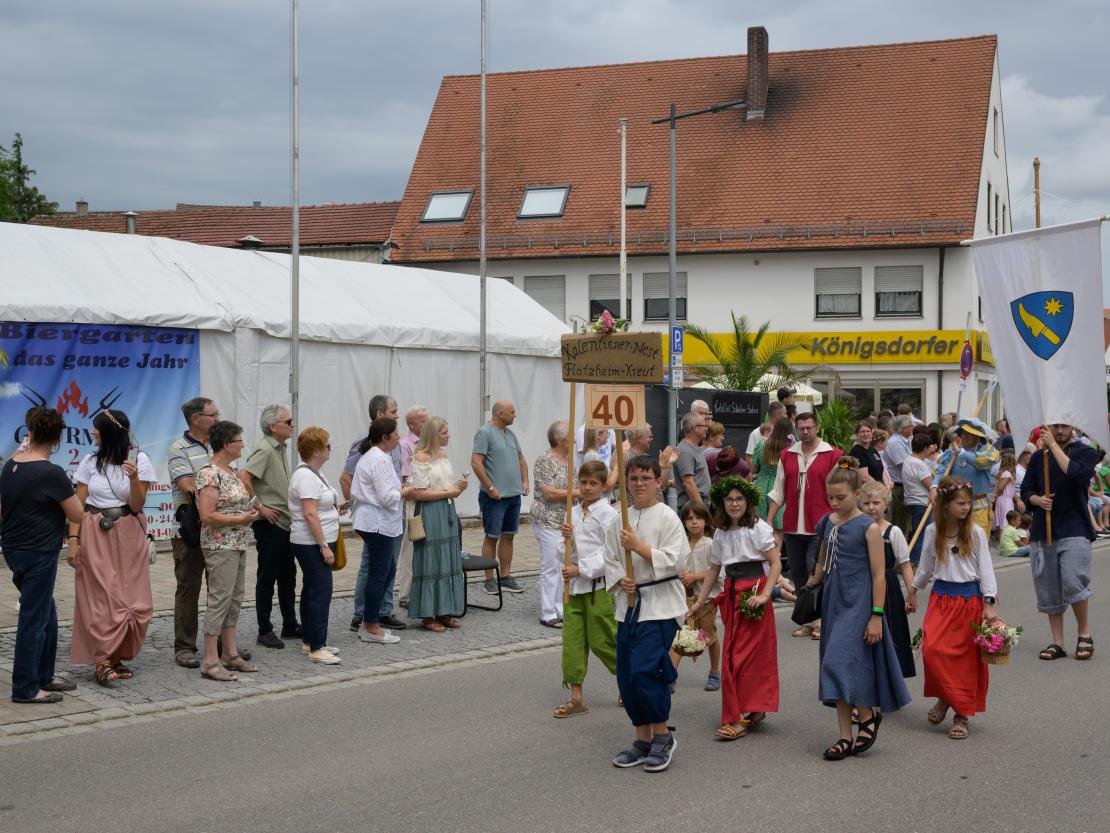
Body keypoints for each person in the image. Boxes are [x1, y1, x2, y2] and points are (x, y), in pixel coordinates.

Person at [807, 459, 911, 760]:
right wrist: (809, 585)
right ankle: (844, 736)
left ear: (856, 493)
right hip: (833, 601)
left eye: (841, 497)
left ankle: (866, 714)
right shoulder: (828, 522)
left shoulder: (869, 528)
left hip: (860, 603)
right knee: (835, 663)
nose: (835, 503)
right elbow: (823, 560)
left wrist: (876, 615)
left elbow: (879, 574)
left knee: (838, 663)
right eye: (831, 498)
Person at [605, 455, 688, 772]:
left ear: (658, 481)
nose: (638, 483)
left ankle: (662, 736)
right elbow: (609, 557)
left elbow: (677, 560)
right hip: (628, 608)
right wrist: (619, 579)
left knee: (646, 672)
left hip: (660, 606)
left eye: (645, 477)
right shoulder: (618, 519)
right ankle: (641, 739)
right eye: (633, 478)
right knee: (627, 677)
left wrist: (639, 547)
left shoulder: (668, 517)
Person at [1, 408, 85, 703]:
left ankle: (44, 676)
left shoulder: (12, 464)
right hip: (39, 552)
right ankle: (25, 688)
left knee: (46, 614)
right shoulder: (51, 472)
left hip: (14, 548)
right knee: (33, 619)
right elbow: (77, 513)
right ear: (58, 437)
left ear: (31, 431)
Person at [689, 476, 781, 741]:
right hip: (731, 593)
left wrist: (764, 595)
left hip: (753, 593)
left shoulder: (759, 528)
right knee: (735, 654)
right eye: (729, 499)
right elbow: (714, 570)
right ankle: (753, 709)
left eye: (739, 498)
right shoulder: (719, 532)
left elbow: (775, 564)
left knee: (742, 657)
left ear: (748, 501)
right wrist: (698, 602)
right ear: (722, 503)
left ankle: (739, 716)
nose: (734, 503)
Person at [68, 409, 156, 686]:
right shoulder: (89, 462)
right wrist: (73, 540)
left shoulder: (139, 460)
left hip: (129, 532)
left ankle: (115, 655)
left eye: (96, 428)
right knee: (100, 595)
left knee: (128, 596)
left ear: (109, 432)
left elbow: (137, 505)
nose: (92, 433)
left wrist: (132, 478)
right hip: (95, 532)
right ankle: (101, 660)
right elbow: (78, 506)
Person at [908, 476, 998, 740]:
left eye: (968, 503)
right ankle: (946, 697)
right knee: (933, 650)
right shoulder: (933, 531)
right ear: (945, 505)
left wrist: (988, 604)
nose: (966, 508)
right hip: (941, 598)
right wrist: (913, 591)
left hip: (969, 600)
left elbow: (986, 570)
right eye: (960, 503)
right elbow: (925, 566)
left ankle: (961, 713)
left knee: (965, 660)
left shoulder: (976, 532)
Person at [1020, 422, 1097, 662]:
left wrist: (1053, 446)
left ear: (1073, 426)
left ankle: (1084, 633)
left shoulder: (1085, 452)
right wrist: (1037, 499)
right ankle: (1058, 641)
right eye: (1056, 427)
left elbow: (1076, 474)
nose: (1060, 431)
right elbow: (1025, 490)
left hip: (1075, 525)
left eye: (1064, 426)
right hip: (1044, 529)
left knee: (1074, 580)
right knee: (1048, 586)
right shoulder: (1037, 458)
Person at [766, 411, 844, 639]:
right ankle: (808, 618)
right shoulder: (787, 455)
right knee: (799, 572)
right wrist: (769, 520)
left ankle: (822, 619)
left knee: (816, 568)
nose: (806, 432)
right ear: (796, 429)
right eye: (801, 428)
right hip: (793, 525)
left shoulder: (833, 454)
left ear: (817, 427)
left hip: (821, 524)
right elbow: (778, 490)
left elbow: (842, 490)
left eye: (809, 427)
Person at [552, 460, 619, 718]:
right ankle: (576, 696)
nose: (587, 488)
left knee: (604, 641)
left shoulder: (609, 515)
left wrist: (581, 569)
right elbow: (563, 553)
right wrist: (566, 539)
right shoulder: (573, 511)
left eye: (593, 483)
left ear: (603, 486)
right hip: (573, 589)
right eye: (583, 482)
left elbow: (611, 554)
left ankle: (629, 680)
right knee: (572, 643)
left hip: (597, 587)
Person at [195, 420, 260, 681]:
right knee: (219, 599)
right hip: (219, 545)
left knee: (235, 598)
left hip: (238, 543)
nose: (243, 444)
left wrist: (249, 514)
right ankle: (210, 659)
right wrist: (239, 519)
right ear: (226, 444)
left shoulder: (232, 473)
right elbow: (207, 515)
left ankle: (230, 653)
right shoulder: (209, 474)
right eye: (239, 440)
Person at [167, 397, 228, 669]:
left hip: (218, 527)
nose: (217, 419)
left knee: (220, 589)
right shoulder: (178, 448)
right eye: (213, 415)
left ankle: (220, 645)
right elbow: (188, 484)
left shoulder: (219, 446)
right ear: (196, 419)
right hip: (190, 529)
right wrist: (218, 492)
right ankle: (185, 647)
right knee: (189, 588)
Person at [344, 395, 408, 634]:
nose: (399, 437)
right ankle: (368, 621)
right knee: (377, 572)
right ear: (384, 436)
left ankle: (375, 615)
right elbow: (386, 496)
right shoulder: (377, 458)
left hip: (382, 520)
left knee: (386, 569)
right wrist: (406, 491)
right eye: (396, 433)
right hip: (377, 522)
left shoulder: (376, 454)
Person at [240, 404, 299, 650]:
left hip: (284, 522)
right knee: (267, 577)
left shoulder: (279, 448)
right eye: (288, 421)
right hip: (271, 524)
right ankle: (264, 629)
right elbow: (244, 476)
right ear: (274, 427)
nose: (292, 424)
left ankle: (290, 624)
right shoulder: (265, 449)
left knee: (288, 576)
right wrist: (259, 506)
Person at [407, 416, 469, 632]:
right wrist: (449, 492)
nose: (448, 436)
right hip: (431, 511)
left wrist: (456, 487)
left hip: (446, 509)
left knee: (448, 559)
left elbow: (443, 484)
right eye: (444, 432)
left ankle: (444, 610)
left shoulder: (442, 455)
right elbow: (418, 492)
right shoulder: (420, 458)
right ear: (433, 435)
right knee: (431, 559)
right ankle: (426, 614)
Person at [287, 426, 341, 665]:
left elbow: (317, 506)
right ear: (317, 450)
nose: (330, 449)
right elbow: (310, 514)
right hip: (311, 542)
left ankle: (310, 640)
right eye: (328, 445)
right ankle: (317, 646)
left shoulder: (314, 473)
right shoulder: (307, 476)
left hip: (315, 540)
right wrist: (323, 546)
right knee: (321, 592)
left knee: (311, 589)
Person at [471, 400, 529, 595]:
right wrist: (490, 487)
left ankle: (505, 576)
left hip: (513, 495)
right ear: (500, 413)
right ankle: (488, 579)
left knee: (509, 535)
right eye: (512, 412)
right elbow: (476, 462)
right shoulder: (485, 433)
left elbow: (521, 458)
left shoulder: (510, 434)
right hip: (494, 497)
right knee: (492, 536)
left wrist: (525, 481)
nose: (515, 415)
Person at [859, 482, 916, 679]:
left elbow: (905, 565)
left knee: (890, 632)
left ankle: (890, 678)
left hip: (888, 588)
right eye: (866, 503)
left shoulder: (893, 532)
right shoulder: (856, 529)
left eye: (876, 502)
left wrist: (911, 593)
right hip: (862, 586)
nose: (871, 507)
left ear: (886, 504)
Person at [670, 502, 721, 692]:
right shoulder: (680, 543)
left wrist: (695, 576)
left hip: (705, 598)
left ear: (706, 520)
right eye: (689, 518)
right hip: (683, 598)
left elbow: (717, 572)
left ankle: (715, 671)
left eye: (698, 518)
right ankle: (671, 676)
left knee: (708, 635)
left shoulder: (710, 543)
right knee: (680, 636)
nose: (694, 522)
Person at [532, 421, 575, 628]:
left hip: (566, 521)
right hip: (548, 519)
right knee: (551, 565)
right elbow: (549, 492)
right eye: (570, 436)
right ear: (559, 440)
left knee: (563, 564)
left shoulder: (570, 461)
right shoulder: (544, 461)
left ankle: (561, 607)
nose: (574, 439)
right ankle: (548, 613)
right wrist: (577, 493)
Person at [930, 417, 999, 539]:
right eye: (963, 433)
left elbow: (981, 463)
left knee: (977, 544)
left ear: (978, 437)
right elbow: (940, 471)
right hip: (955, 506)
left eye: (969, 434)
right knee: (956, 542)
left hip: (978, 506)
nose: (964, 436)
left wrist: (961, 453)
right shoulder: (952, 451)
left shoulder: (988, 451)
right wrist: (934, 486)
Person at [395, 405, 428, 610]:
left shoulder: (428, 444)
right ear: (412, 424)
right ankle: (405, 594)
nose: (428, 424)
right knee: (409, 550)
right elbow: (407, 479)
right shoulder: (405, 445)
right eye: (424, 421)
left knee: (423, 548)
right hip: (412, 504)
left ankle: (422, 588)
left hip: (427, 501)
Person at [752, 417, 791, 548]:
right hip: (781, 488)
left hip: (761, 486)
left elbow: (753, 468)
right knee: (778, 531)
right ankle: (775, 562)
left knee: (760, 527)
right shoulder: (790, 448)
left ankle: (761, 562)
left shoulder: (762, 444)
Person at [902, 433, 937, 565]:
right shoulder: (918, 464)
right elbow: (931, 485)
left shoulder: (909, 460)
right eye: (930, 447)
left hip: (913, 501)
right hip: (921, 502)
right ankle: (916, 565)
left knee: (917, 533)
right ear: (925, 448)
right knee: (922, 535)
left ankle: (914, 563)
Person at [884, 415, 914, 534]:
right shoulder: (895, 443)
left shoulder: (904, 441)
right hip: (897, 488)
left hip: (903, 487)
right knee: (899, 523)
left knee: (904, 522)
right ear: (903, 429)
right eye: (911, 426)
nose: (913, 428)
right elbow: (906, 465)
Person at [673, 412, 709, 510]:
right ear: (695, 428)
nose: (706, 428)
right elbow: (688, 483)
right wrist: (702, 510)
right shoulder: (685, 452)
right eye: (704, 425)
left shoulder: (693, 448)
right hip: (693, 509)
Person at [580, 427, 619, 500]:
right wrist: (616, 466)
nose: (608, 436)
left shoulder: (594, 455)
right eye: (607, 432)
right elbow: (607, 486)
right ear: (598, 434)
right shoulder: (592, 456)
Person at [746, 402, 786, 466]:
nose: (786, 416)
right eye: (785, 413)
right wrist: (759, 473)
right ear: (778, 415)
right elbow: (749, 457)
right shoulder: (756, 433)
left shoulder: (784, 431)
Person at [992, 451, 1017, 536]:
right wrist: (997, 494)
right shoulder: (1008, 474)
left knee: (1002, 521)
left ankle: (1002, 542)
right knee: (1004, 522)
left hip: (1004, 499)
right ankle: (1003, 542)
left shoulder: (1005, 473)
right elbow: (1001, 487)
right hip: (1005, 500)